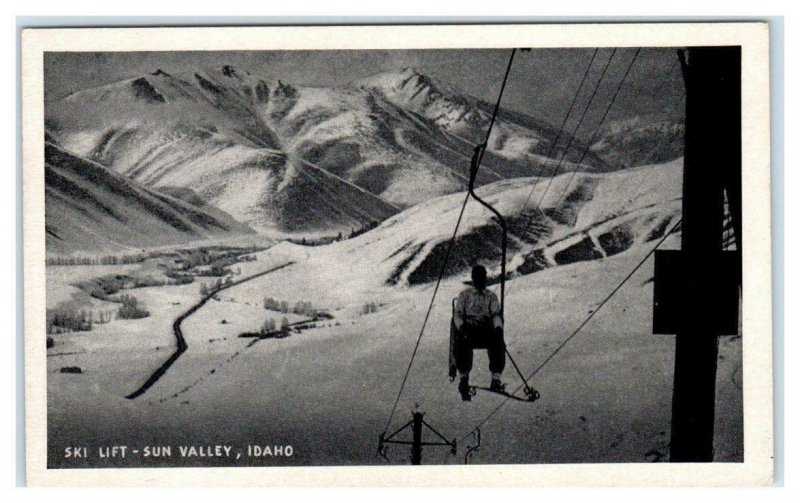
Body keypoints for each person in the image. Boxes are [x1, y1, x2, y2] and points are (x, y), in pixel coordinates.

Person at [452, 264, 506, 401]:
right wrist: (462, 327)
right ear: (473, 278)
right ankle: (464, 378)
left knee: (499, 344)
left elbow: (495, 314)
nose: (481, 280)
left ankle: (496, 378)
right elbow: (457, 315)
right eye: (478, 277)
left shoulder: (491, 296)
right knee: (461, 344)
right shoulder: (464, 295)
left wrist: (498, 327)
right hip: (469, 330)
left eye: (483, 277)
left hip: (486, 330)